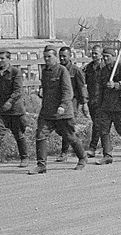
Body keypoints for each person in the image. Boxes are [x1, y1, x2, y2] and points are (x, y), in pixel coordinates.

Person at [29, 45, 86, 174]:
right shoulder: (45, 71)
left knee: (70, 136)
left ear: (55, 57)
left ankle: (82, 157)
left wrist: (63, 106)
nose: (47, 59)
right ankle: (41, 165)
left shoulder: (62, 71)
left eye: (49, 56)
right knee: (40, 135)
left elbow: (68, 91)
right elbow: (45, 87)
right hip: (47, 111)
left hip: (62, 112)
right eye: (45, 57)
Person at [56, 46, 88, 162]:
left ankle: (64, 152)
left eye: (64, 56)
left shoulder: (75, 70)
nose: (62, 58)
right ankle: (76, 141)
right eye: (60, 56)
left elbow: (81, 87)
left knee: (66, 127)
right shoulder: (58, 69)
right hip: (60, 102)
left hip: (72, 102)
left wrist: (84, 103)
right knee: (60, 128)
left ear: (70, 56)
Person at [83, 44, 105, 157]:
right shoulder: (89, 68)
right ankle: (106, 146)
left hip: (103, 100)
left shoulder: (105, 68)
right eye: (92, 53)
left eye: (96, 53)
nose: (94, 55)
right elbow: (83, 83)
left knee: (97, 124)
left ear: (101, 55)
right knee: (99, 124)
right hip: (92, 100)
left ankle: (93, 148)